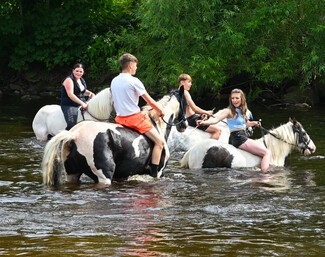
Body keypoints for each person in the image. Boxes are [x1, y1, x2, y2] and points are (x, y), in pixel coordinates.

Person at [110, 53, 165, 177]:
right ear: (130, 65)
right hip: (134, 119)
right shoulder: (134, 81)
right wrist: (160, 111)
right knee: (160, 142)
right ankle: (154, 173)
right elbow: (149, 101)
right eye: (135, 66)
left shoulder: (114, 80)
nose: (136, 68)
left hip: (119, 119)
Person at [197, 88, 271, 171]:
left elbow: (242, 125)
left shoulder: (242, 111)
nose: (234, 100)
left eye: (237, 98)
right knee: (267, 152)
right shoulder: (228, 111)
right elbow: (215, 120)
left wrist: (253, 123)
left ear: (242, 99)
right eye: (232, 98)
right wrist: (204, 123)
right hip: (240, 139)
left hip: (240, 137)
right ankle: (264, 176)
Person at [178, 74, 221, 139]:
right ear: (182, 82)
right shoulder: (185, 92)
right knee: (218, 130)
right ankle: (208, 148)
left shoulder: (177, 92)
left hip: (189, 118)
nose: (191, 84)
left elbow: (188, 109)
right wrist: (207, 112)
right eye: (189, 82)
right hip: (192, 119)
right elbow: (194, 108)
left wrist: (200, 114)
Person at [60, 63, 95, 130]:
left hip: (82, 103)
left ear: (83, 72)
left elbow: (83, 91)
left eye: (80, 71)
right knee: (72, 124)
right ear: (73, 71)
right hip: (70, 105)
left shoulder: (81, 80)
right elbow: (71, 94)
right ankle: (66, 138)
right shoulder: (69, 80)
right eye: (77, 71)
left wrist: (90, 93)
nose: (78, 73)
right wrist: (82, 103)